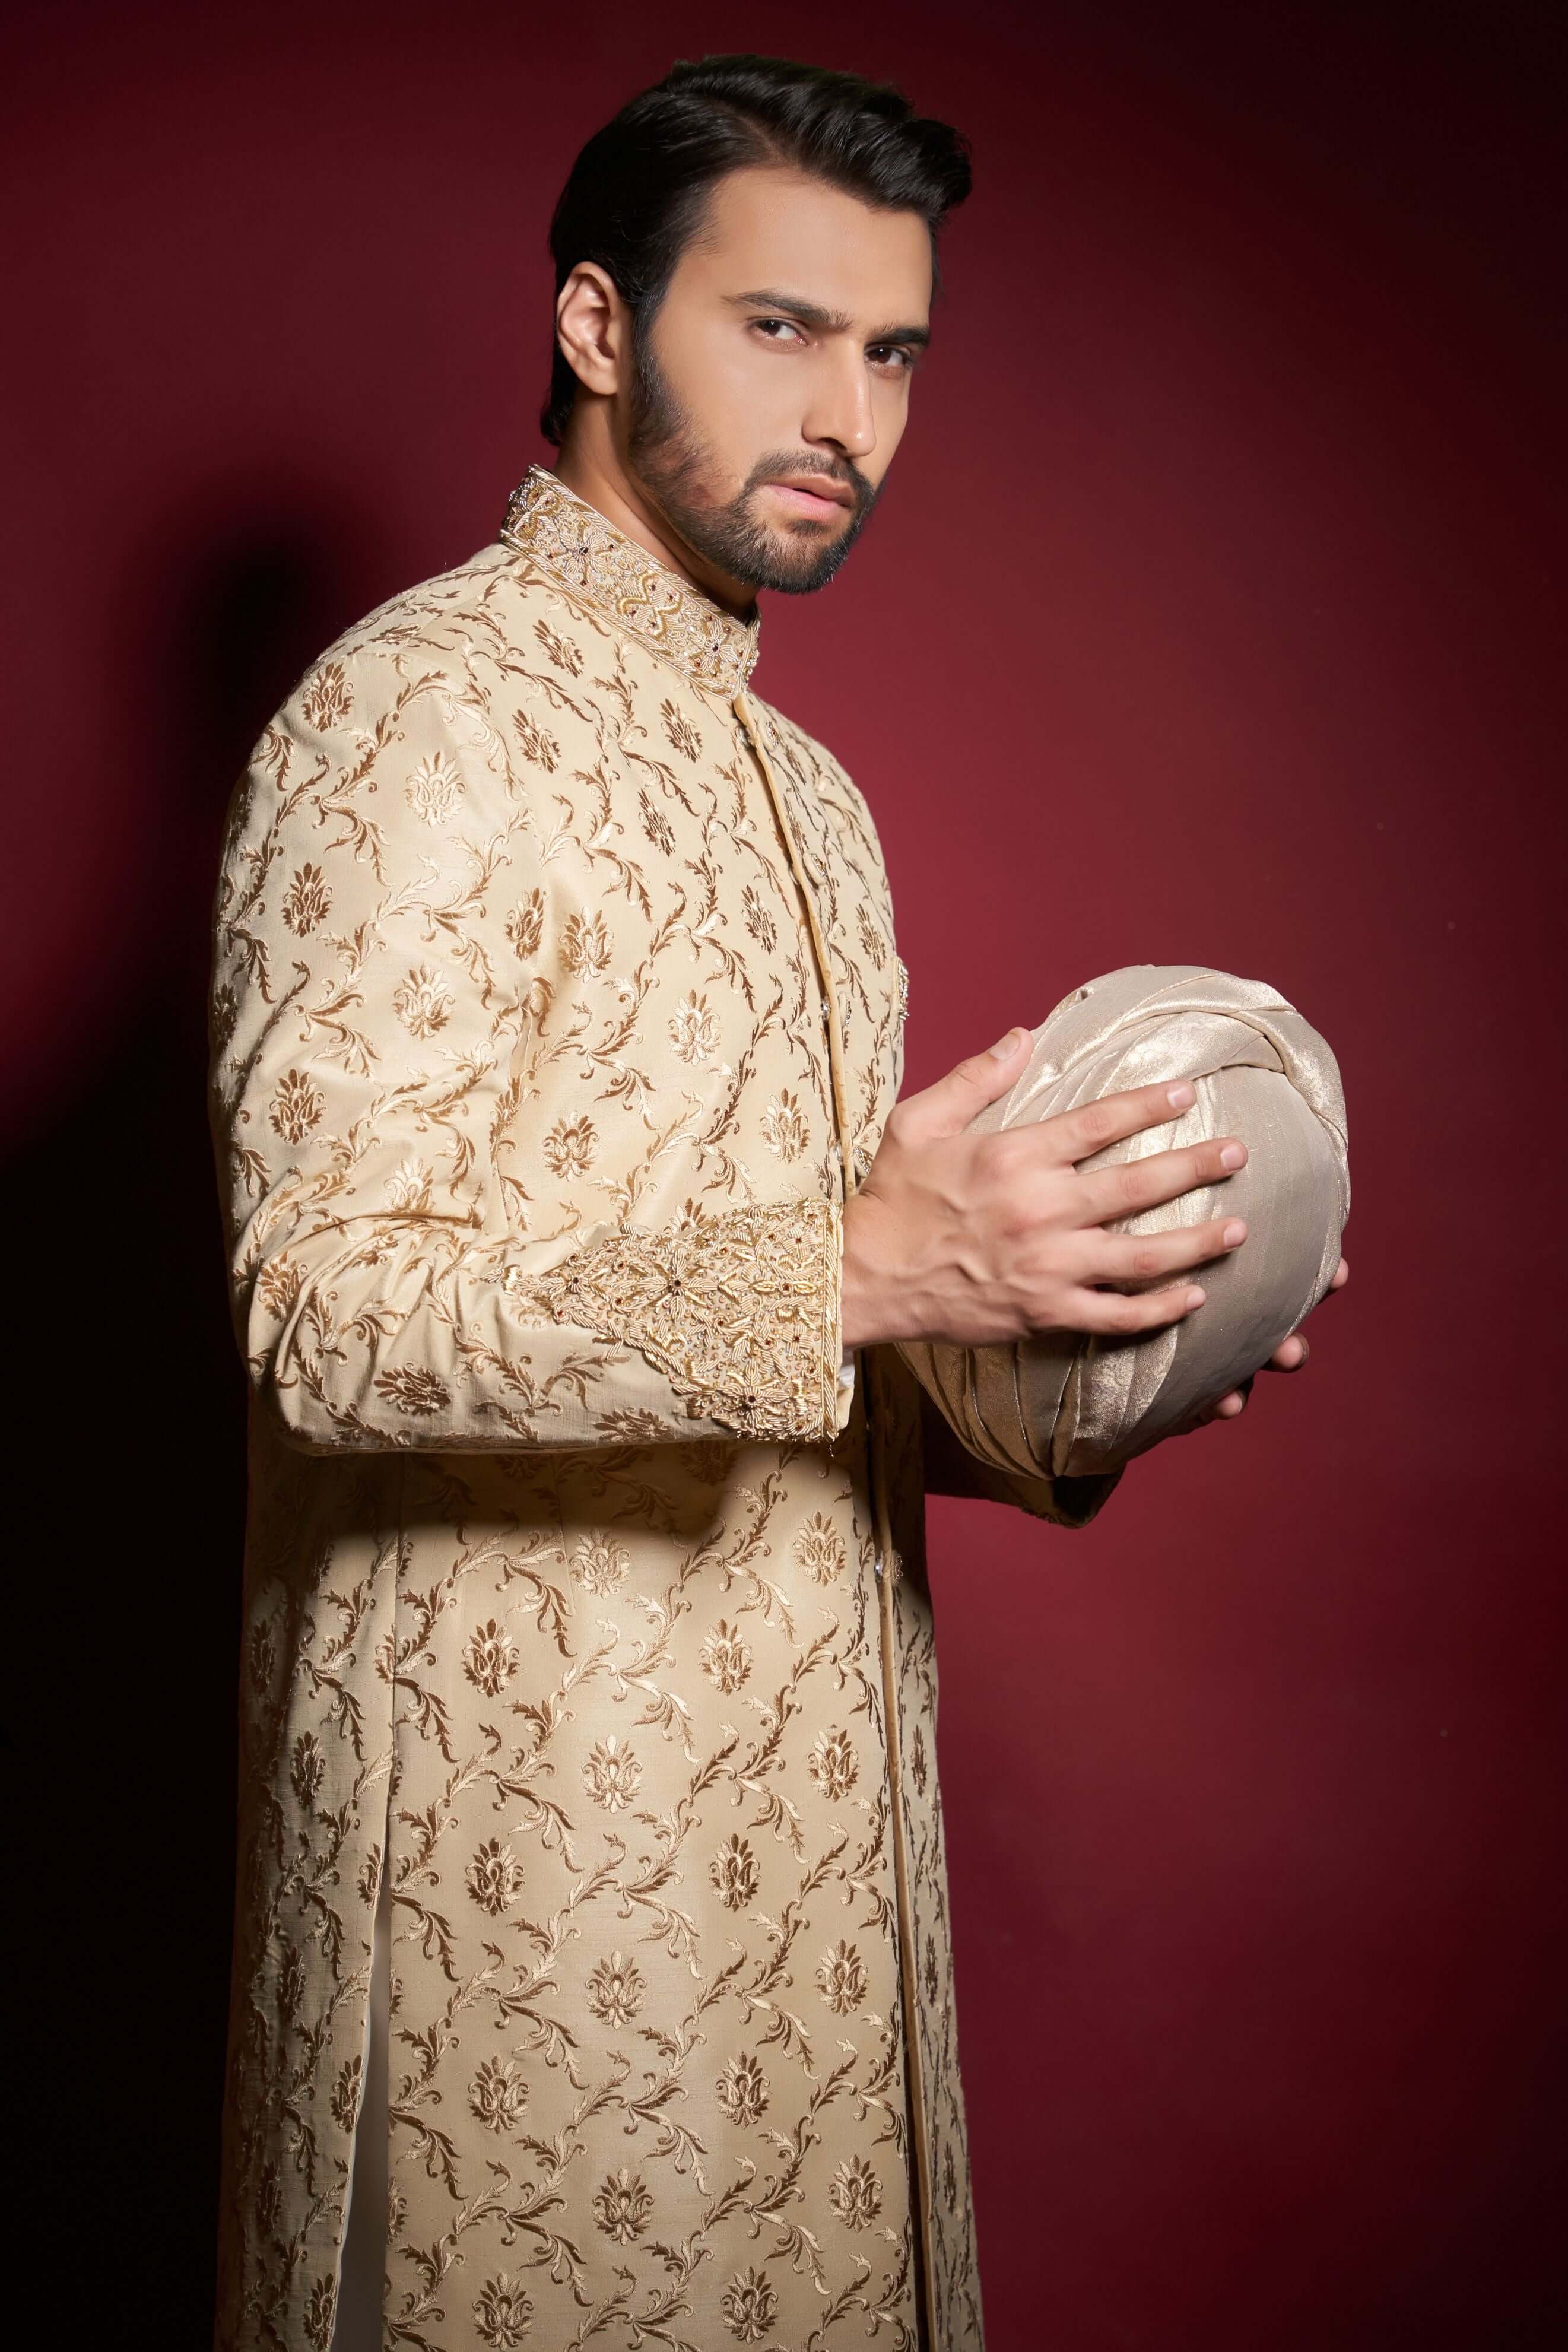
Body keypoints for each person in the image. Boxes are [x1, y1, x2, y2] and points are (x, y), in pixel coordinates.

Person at [208, 53, 1346, 2352]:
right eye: (781, 328)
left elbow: (842, 1352)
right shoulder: (410, 714)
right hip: (522, 1902)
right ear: (603, 325)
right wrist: (869, 1253)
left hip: (816, 1874)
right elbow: (324, 1311)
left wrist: (1087, 1353)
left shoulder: (809, 799)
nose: (852, 409)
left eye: (894, 348)